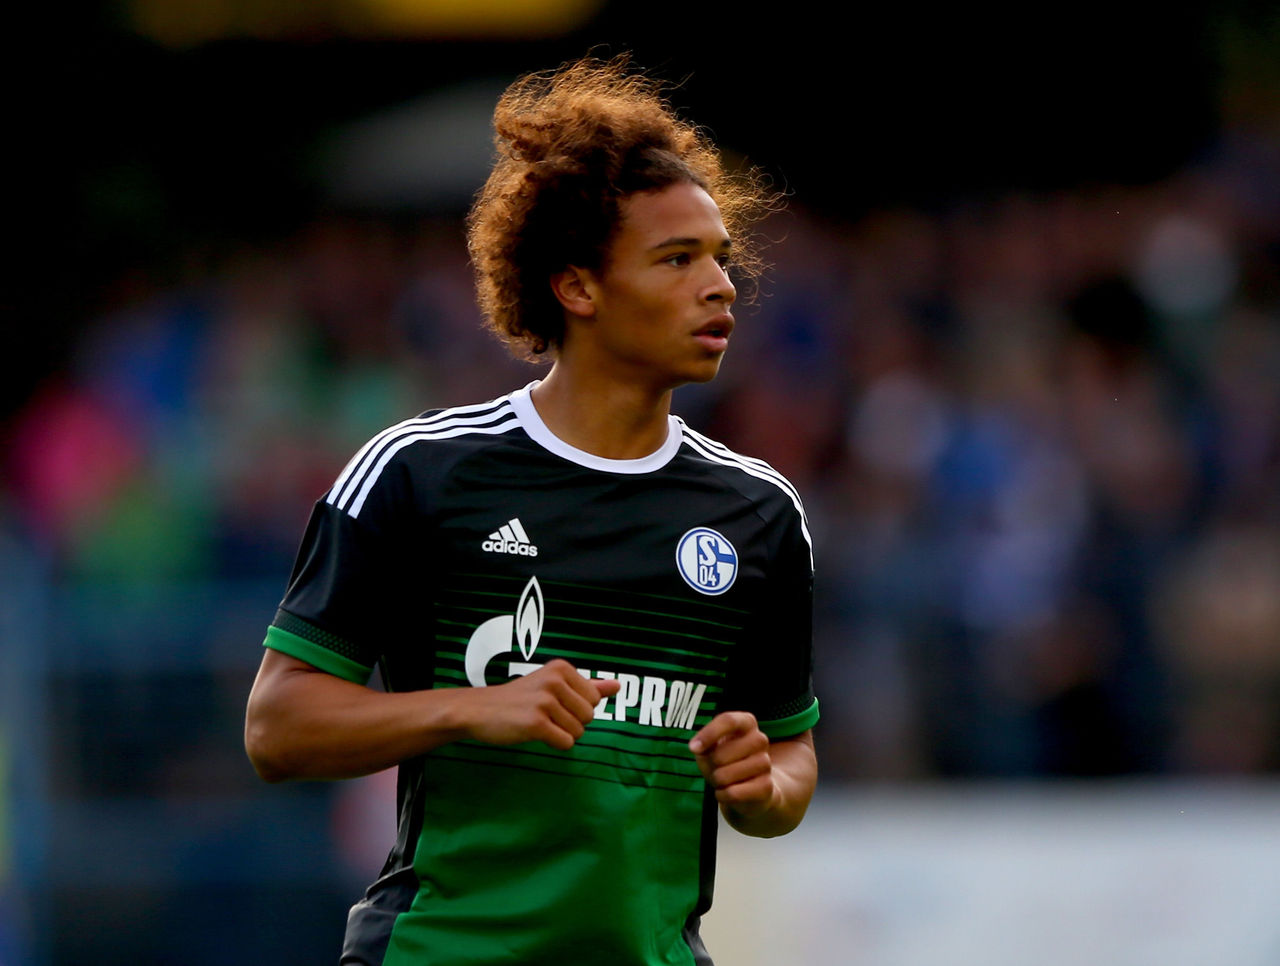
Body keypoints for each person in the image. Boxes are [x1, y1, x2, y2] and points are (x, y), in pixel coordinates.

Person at [245, 55, 818, 966]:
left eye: (718, 256)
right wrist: (470, 709)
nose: (719, 285)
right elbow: (277, 728)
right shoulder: (419, 474)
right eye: (677, 260)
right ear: (577, 286)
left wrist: (765, 787)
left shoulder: (760, 513)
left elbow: (791, 755)